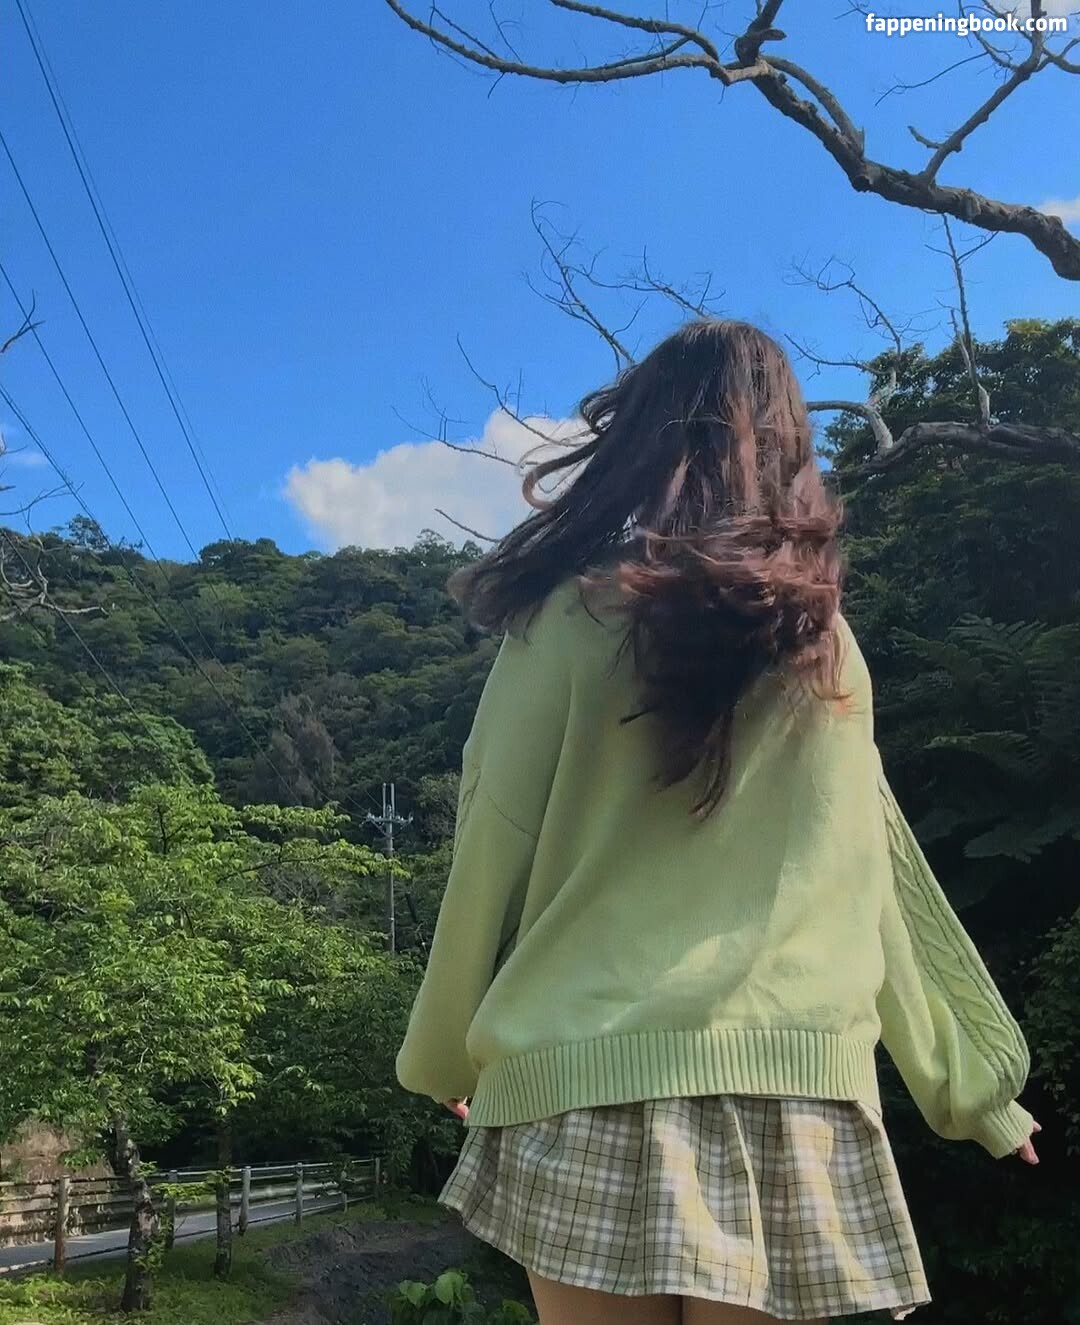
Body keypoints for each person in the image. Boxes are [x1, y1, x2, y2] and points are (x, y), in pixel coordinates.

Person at [396, 319, 1039, 1325]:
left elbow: (494, 834)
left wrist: (441, 1049)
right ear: (788, 444)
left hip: (582, 1074)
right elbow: (876, 873)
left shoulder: (568, 616)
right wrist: (970, 1084)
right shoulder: (824, 643)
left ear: (639, 439)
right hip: (795, 1088)